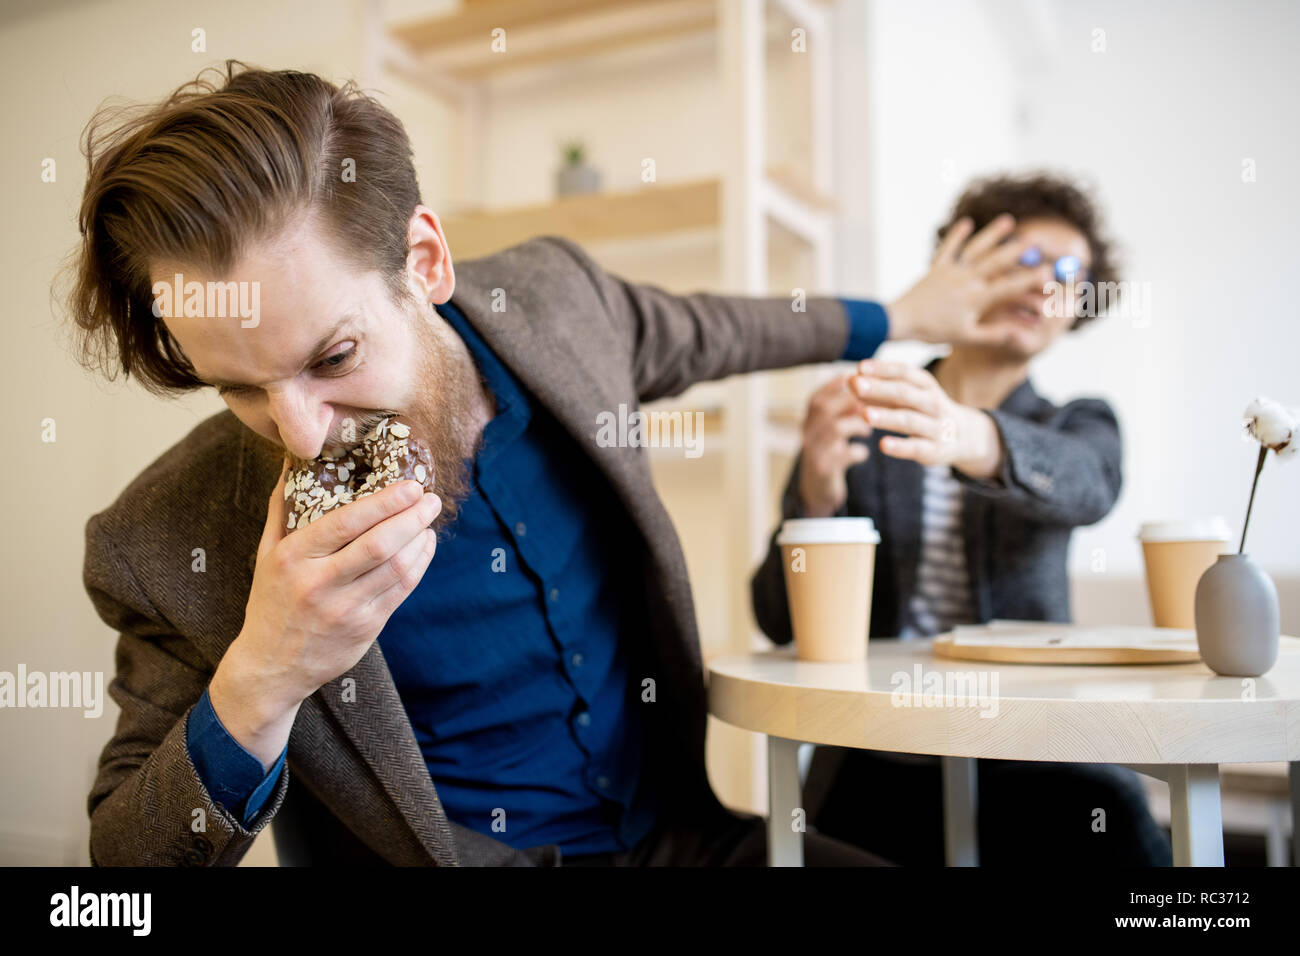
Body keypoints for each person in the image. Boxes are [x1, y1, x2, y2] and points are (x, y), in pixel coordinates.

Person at [65, 63, 1056, 867]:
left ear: (425, 261)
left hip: (686, 840)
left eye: (333, 357)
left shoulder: (558, 302)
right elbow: (125, 866)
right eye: (237, 387)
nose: (301, 433)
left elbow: (713, 329)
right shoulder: (163, 535)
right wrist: (263, 677)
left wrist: (904, 317)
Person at [751, 173, 1173, 866]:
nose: (1045, 284)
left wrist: (969, 435)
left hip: (1032, 744)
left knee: (1120, 828)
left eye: (1070, 275)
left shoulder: (1079, 423)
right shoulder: (865, 412)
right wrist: (816, 500)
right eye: (1027, 259)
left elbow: (1087, 483)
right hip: (876, 748)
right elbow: (776, 620)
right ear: (964, 260)